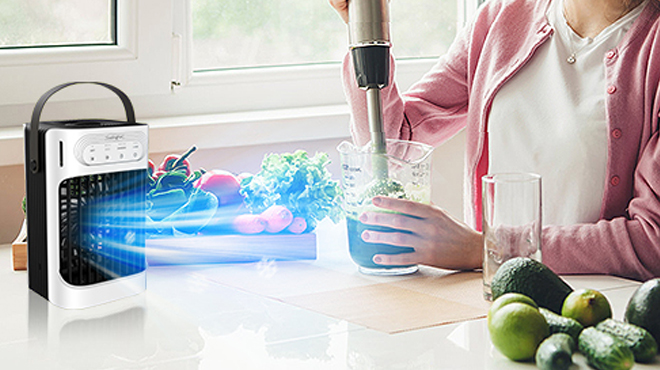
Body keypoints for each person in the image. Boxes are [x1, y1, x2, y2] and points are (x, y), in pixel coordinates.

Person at [329, 0, 660, 280]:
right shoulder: (503, 16)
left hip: (599, 312)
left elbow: (652, 240)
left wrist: (486, 247)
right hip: (493, 302)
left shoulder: (653, 46)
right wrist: (364, 29)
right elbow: (391, 142)